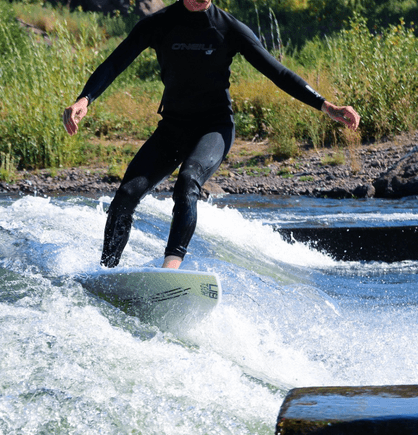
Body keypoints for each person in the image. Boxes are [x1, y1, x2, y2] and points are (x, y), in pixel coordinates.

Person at [63, 0, 360, 269]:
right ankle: (107, 272)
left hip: (214, 127)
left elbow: (277, 72)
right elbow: (116, 61)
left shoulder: (228, 28)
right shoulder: (159, 23)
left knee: (188, 182)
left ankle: (170, 271)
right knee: (126, 195)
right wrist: (84, 99)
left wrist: (326, 106)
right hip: (173, 127)